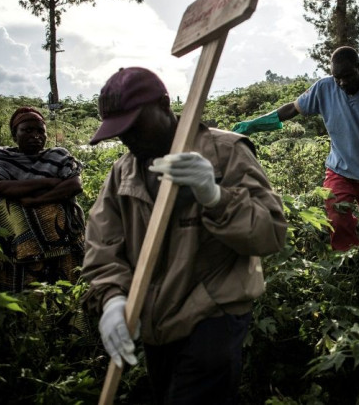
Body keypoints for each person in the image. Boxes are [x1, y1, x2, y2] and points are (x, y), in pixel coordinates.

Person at [81, 67, 287, 404]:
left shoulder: (226, 151)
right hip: (155, 323)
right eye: (119, 131)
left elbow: (271, 234)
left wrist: (215, 196)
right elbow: (102, 245)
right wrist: (112, 299)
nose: (128, 138)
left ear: (164, 104)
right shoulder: (123, 171)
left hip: (213, 315)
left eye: (135, 124)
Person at [233, 46, 359, 251]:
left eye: (347, 76)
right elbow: (292, 108)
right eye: (337, 78)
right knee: (338, 220)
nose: (342, 83)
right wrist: (256, 123)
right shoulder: (324, 88)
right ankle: (349, 261)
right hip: (340, 171)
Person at [0, 106, 85, 292]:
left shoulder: (58, 155)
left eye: (41, 131)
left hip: (61, 241)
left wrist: (35, 201)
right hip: (16, 243)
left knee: (65, 289)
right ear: (15, 135)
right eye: (27, 130)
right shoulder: (2, 156)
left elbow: (75, 185)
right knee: (25, 293)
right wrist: (50, 182)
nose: (35, 136)